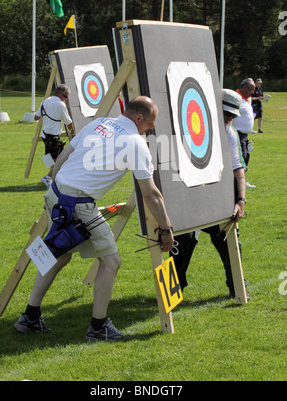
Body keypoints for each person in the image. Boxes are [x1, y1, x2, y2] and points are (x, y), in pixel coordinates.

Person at [14, 96, 174, 341]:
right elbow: (151, 193)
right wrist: (166, 228)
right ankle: (98, 327)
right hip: (77, 202)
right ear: (139, 118)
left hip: (57, 195)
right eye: (151, 122)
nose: (152, 127)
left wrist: (56, 191)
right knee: (111, 261)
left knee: (59, 252)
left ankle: (30, 316)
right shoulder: (135, 143)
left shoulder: (99, 123)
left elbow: (63, 157)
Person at [172, 89, 249, 300]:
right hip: (187, 195)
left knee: (229, 239)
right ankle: (173, 291)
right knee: (181, 240)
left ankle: (238, 286)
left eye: (232, 115)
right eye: (226, 113)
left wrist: (240, 200)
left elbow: (237, 168)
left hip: (215, 198)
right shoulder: (186, 127)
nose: (229, 119)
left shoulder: (229, 132)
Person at [34, 84, 76, 189]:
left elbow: (36, 117)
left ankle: (54, 178)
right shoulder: (60, 105)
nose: (66, 99)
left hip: (45, 135)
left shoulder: (46, 101)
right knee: (60, 160)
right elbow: (69, 122)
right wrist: (73, 135)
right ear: (58, 93)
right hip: (53, 137)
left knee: (53, 159)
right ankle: (48, 177)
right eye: (65, 96)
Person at [232, 78, 256, 188]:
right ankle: (237, 181)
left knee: (246, 156)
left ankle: (242, 179)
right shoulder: (236, 99)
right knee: (241, 158)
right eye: (251, 90)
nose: (252, 92)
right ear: (244, 88)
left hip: (245, 135)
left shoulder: (247, 99)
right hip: (238, 134)